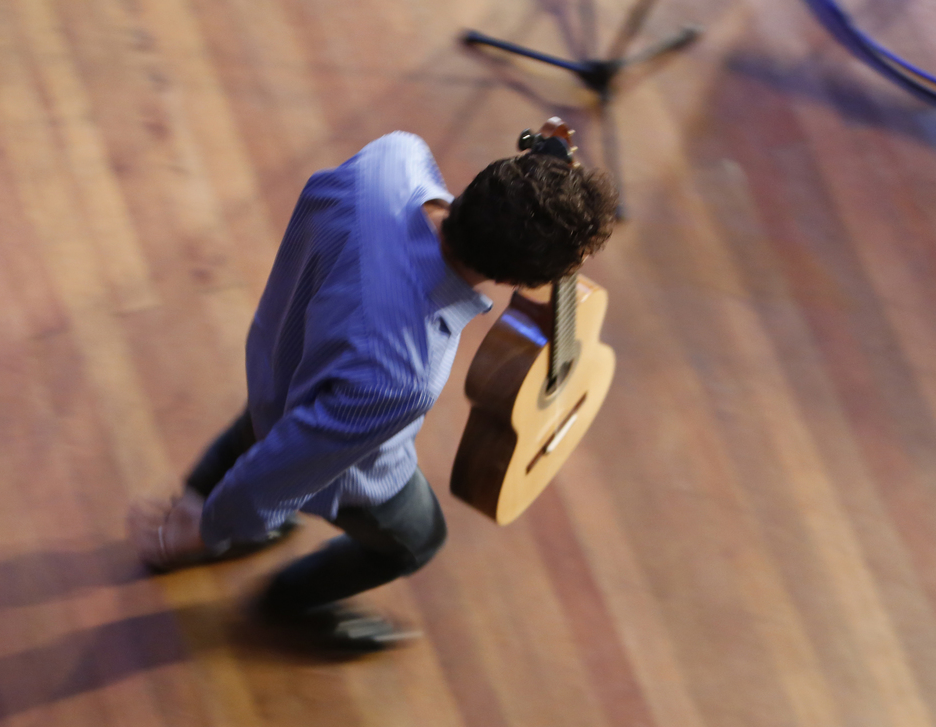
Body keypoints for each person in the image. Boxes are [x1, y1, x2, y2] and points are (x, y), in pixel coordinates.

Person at [128, 118, 618, 653]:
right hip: (344, 464)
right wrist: (212, 528)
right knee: (416, 541)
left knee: (260, 422)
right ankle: (285, 599)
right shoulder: (403, 373)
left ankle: (199, 500)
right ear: (520, 281)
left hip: (279, 354)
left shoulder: (391, 159)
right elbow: (287, 466)